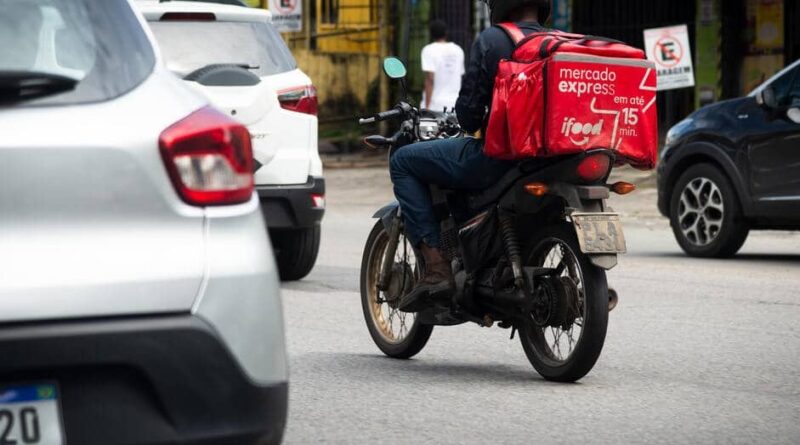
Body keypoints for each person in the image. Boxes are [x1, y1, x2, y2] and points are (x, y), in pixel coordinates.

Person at [390, 0, 551, 312]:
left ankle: (436, 268)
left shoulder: (492, 40)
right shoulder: (555, 42)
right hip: (547, 159)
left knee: (403, 161)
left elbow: (469, 117)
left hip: (499, 158)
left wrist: (471, 116)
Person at [421, 20, 465, 111]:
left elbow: (430, 79)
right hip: (455, 104)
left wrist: (427, 107)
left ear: (431, 34)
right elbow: (461, 77)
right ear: (446, 33)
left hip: (435, 106)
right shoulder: (458, 50)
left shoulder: (428, 50)